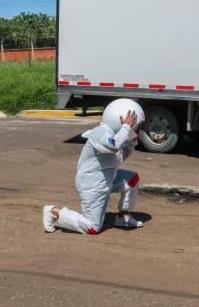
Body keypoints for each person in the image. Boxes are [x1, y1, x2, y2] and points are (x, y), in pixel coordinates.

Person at [43, 98, 146, 235]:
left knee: (132, 179)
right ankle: (54, 212)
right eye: (135, 124)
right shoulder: (100, 133)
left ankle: (122, 216)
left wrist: (132, 138)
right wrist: (126, 128)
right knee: (92, 227)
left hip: (107, 178)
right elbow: (113, 146)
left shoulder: (116, 135)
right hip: (92, 184)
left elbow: (121, 154)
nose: (137, 128)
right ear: (120, 120)